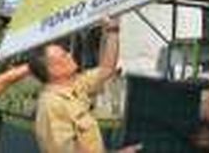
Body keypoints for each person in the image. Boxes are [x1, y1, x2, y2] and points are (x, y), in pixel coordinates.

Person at [29, 17, 141, 153]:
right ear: (53, 70)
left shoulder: (76, 85)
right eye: (64, 55)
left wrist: (113, 31)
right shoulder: (51, 106)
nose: (70, 54)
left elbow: (106, 68)